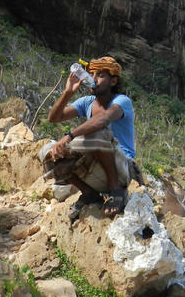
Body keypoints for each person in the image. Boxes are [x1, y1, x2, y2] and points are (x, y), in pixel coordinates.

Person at [44, 56, 137, 222]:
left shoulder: (122, 101)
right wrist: (67, 93)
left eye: (100, 75)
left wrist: (69, 136)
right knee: (48, 151)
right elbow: (54, 118)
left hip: (122, 168)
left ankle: (116, 191)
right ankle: (89, 193)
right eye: (91, 74)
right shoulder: (87, 102)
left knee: (98, 132)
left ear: (113, 82)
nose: (93, 79)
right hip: (97, 169)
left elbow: (103, 120)